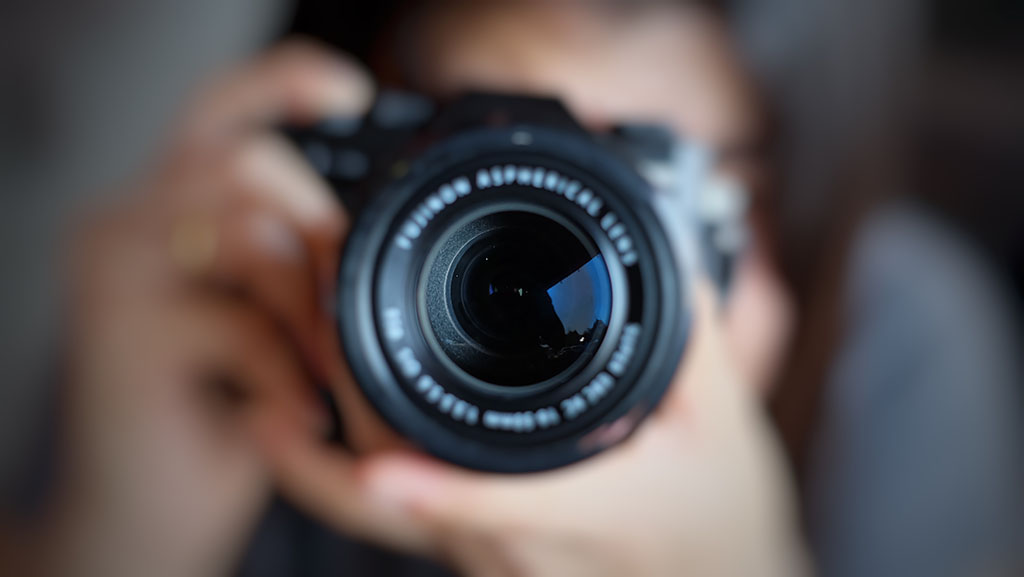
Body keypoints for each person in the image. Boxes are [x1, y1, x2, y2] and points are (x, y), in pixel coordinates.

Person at [4, 2, 1022, 577]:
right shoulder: (244, 312)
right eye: (466, 163)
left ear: (788, 216)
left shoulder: (897, 349)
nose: (553, 277)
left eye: (649, 191)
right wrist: (112, 540)